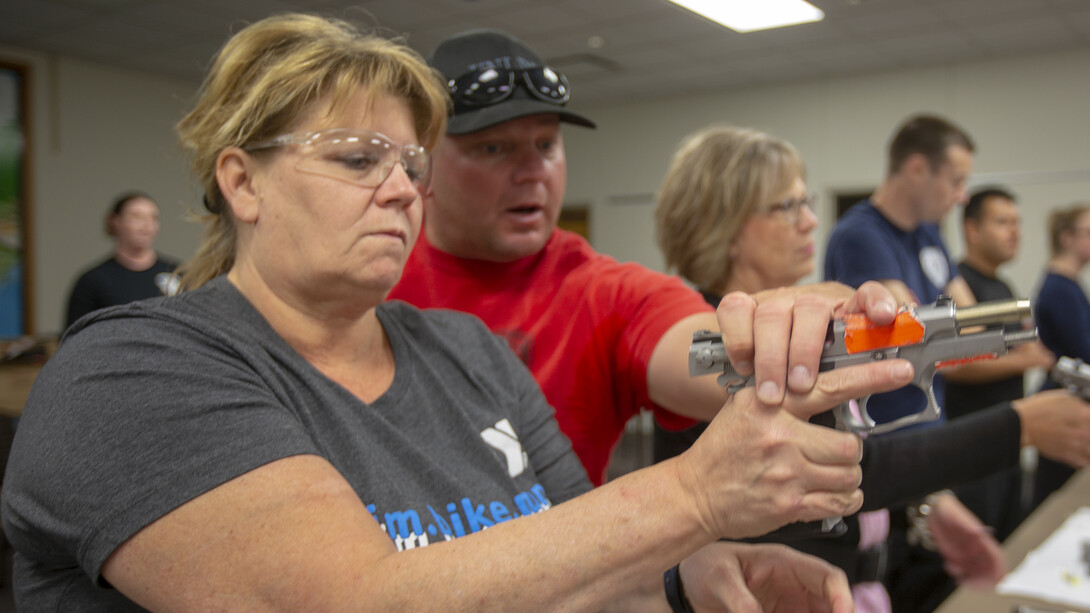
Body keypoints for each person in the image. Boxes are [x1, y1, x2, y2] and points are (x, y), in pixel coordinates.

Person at [0, 14, 917, 611]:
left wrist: (682, 578)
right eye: (359, 159)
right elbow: (352, 602)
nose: (401, 191)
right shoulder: (129, 372)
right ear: (242, 180)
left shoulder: (466, 350)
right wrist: (691, 497)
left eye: (412, 166)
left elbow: (574, 567)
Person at [389, 28, 889, 487]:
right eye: (494, 147)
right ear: (421, 161)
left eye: (546, 144)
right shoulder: (367, 276)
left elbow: (704, 355)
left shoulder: (603, 292)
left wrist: (793, 326)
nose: (533, 171)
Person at [652, 124, 1090, 613]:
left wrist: (924, 506)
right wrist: (1019, 427)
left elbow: (857, 457)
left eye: (808, 202)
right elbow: (847, 465)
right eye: (787, 207)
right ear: (724, 225)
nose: (811, 222)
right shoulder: (723, 349)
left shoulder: (800, 329)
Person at [946, 187, 1055, 540]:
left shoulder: (1002, 287)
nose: (1015, 232)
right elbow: (956, 362)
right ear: (972, 230)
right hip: (971, 449)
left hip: (1007, 444)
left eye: (1017, 223)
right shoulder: (957, 285)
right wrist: (1025, 360)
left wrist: (1021, 356)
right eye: (1002, 222)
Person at [1033, 202, 1090, 508]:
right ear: (1066, 237)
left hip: (1068, 397)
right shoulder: (1060, 287)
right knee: (1056, 498)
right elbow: (1084, 348)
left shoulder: (1068, 284)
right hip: (1063, 400)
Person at [64, 191, 179, 329]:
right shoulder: (93, 281)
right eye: (136, 217)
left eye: (153, 218)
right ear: (115, 221)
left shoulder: (177, 272)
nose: (146, 226)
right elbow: (74, 337)